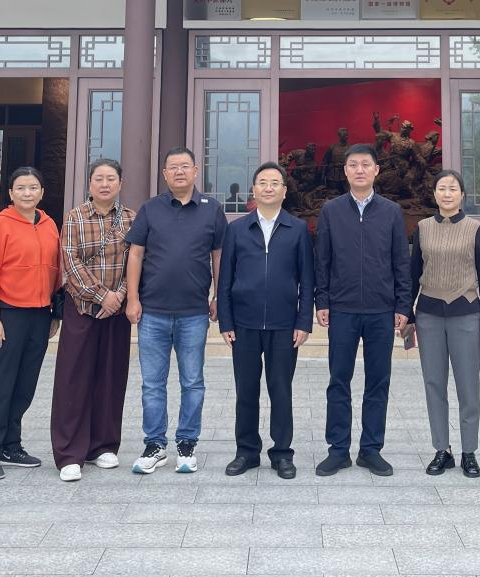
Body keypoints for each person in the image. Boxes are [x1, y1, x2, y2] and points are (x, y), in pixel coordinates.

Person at [125, 147, 226, 475]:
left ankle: (186, 443)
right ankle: (155, 445)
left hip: (194, 312)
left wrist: (218, 296)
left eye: (185, 166)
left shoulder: (212, 209)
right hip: (152, 311)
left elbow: (218, 256)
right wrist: (132, 298)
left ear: (196, 171)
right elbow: (136, 254)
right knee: (152, 384)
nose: (179, 172)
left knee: (193, 381)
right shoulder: (150, 208)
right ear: (165, 174)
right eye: (173, 167)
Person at [314, 143, 411, 478]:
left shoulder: (391, 212)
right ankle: (338, 450)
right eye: (353, 164)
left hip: (381, 310)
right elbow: (322, 260)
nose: (359, 170)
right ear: (345, 171)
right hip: (342, 309)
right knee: (339, 380)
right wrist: (322, 300)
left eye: (365, 164)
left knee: (378, 381)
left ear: (376, 170)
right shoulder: (331, 210)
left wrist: (403, 305)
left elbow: (401, 262)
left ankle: (371, 450)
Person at [218, 162, 314, 480]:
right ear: (254, 190)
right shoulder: (237, 229)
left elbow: (307, 279)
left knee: (280, 390)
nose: (268, 187)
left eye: (275, 182)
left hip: (284, 324)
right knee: (246, 390)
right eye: (262, 182)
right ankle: (246, 452)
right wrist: (226, 321)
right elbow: (225, 278)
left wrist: (304, 321)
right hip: (244, 324)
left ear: (284, 191)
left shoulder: (297, 229)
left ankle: (282, 454)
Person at [407, 169, 480, 478]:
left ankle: (469, 451)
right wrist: (407, 313)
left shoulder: (475, 229)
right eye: (442, 188)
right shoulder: (422, 228)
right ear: (434, 194)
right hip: (428, 314)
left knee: (468, 385)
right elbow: (413, 273)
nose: (447, 193)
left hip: (466, 313)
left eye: (452, 189)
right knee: (434, 383)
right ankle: (441, 450)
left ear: (462, 195)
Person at [53, 158, 135, 481]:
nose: (104, 184)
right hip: (82, 308)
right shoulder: (74, 217)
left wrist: (120, 296)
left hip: (117, 311)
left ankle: (103, 445)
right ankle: (69, 453)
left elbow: (137, 260)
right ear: (89, 184)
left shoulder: (131, 219)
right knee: (73, 379)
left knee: (111, 377)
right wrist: (103, 296)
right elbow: (70, 263)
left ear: (120, 184)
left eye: (111, 178)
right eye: (98, 178)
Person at [0, 165, 62, 479]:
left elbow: (56, 270)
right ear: (11, 193)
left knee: (25, 385)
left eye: (33, 187)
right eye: (21, 188)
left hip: (39, 315)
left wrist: (55, 313)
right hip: (8, 314)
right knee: (2, 384)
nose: (28, 193)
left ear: (42, 192)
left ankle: (12, 445)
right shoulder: (0, 225)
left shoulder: (49, 225)